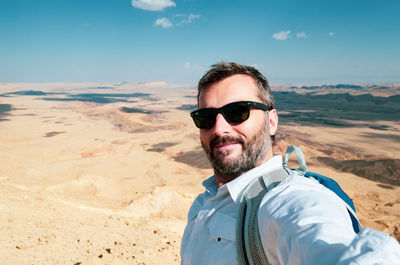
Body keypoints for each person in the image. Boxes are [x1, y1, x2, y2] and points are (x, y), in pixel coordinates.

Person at [180, 61, 400, 265]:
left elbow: (320, 238)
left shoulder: (287, 200)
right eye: (206, 117)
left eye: (237, 112)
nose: (219, 129)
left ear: (272, 121)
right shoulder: (205, 200)